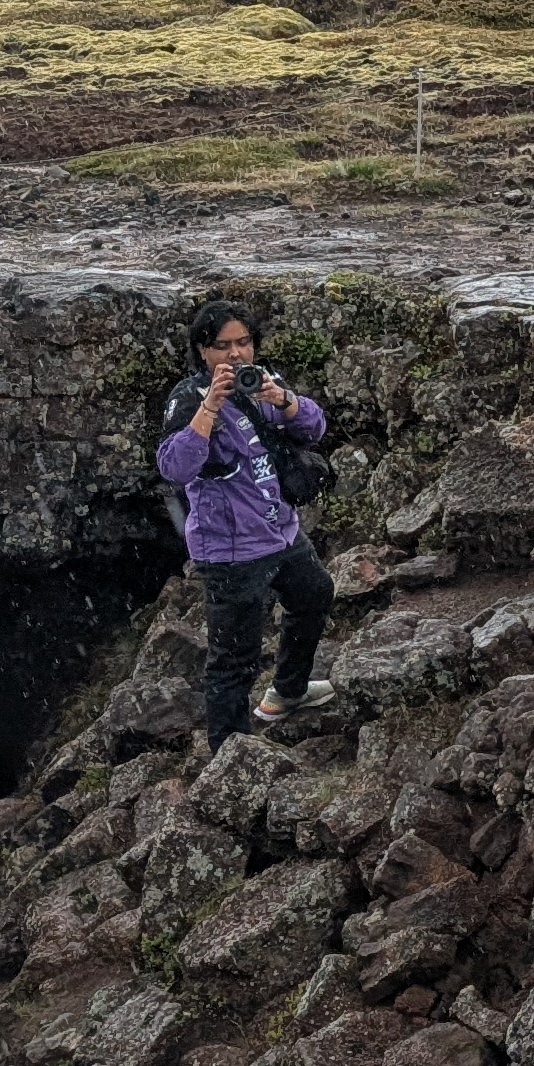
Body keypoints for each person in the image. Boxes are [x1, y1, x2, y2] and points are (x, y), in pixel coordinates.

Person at [156, 300, 337, 746]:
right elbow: (175, 468)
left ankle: (288, 691)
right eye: (223, 345)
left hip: (280, 530)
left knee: (314, 594)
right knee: (234, 659)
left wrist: (285, 401)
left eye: (244, 342)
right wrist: (209, 408)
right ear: (203, 351)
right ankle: (228, 752)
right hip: (231, 549)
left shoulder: (262, 381)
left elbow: (315, 429)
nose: (236, 354)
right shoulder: (188, 398)